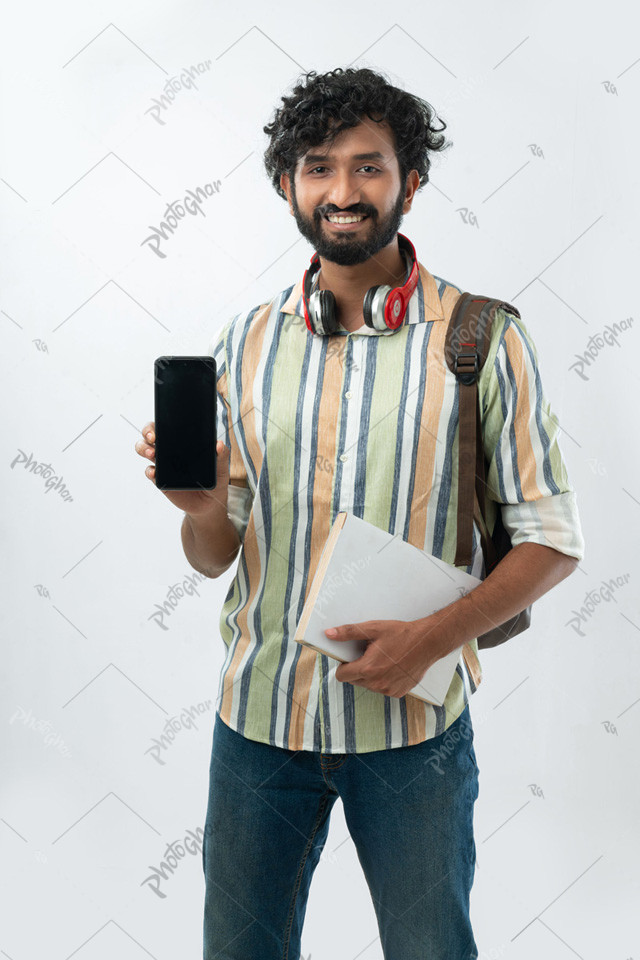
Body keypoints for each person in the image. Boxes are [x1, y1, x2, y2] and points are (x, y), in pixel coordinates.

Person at [135, 67, 585, 960]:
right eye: (318, 167)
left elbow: (551, 540)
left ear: (410, 182)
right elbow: (212, 556)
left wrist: (431, 638)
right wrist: (197, 508)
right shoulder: (246, 341)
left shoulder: (482, 338)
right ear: (286, 184)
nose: (343, 192)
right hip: (257, 725)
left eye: (369, 167)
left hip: (414, 735)